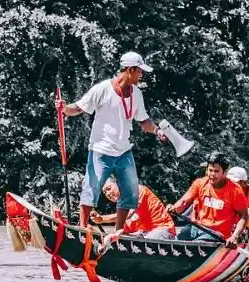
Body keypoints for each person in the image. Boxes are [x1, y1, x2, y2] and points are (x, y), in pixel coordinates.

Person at [55, 52, 166, 231]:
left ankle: (118, 232)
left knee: (130, 192)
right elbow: (79, 107)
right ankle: (83, 228)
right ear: (129, 70)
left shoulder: (136, 94)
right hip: (101, 149)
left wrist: (157, 130)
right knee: (92, 188)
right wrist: (64, 108)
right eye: (139, 71)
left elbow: (143, 120)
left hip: (124, 151)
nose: (141, 75)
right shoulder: (103, 89)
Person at [166, 152, 248, 248]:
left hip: (217, 234)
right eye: (210, 170)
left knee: (194, 247)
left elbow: (244, 216)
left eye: (216, 171)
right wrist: (174, 208)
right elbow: (184, 201)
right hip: (197, 227)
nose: (212, 174)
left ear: (225, 173)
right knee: (174, 242)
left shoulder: (235, 190)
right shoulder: (200, 183)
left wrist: (234, 237)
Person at [90, 179, 176, 240]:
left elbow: (127, 214)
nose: (108, 194)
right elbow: (120, 234)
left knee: (141, 244)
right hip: (144, 235)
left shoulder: (137, 190)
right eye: (105, 192)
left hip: (163, 230)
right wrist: (97, 234)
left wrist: (102, 219)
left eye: (109, 189)